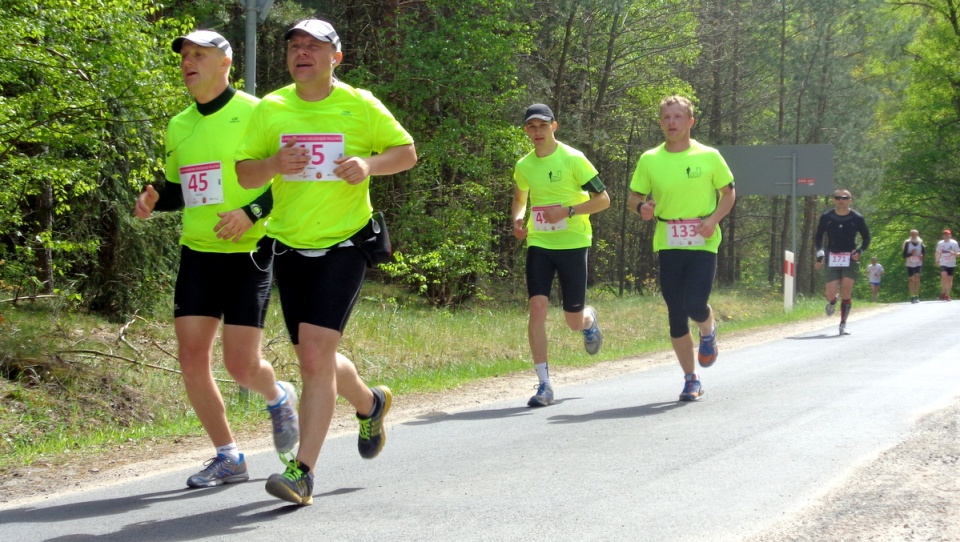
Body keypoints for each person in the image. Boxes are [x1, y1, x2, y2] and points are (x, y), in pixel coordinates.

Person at [234, 19, 417, 506]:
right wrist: (273, 166)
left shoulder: (359, 104)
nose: (302, 53)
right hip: (289, 247)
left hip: (345, 245)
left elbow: (407, 152)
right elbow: (244, 171)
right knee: (314, 355)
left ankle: (302, 472)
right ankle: (370, 402)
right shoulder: (271, 107)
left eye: (313, 46)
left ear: (336, 56)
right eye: (295, 46)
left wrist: (368, 165)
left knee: (314, 354)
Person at [133, 31, 299, 488]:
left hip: (250, 250)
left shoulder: (258, 112)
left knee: (241, 365)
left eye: (198, 55)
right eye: (185, 56)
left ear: (225, 62)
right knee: (191, 358)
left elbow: (287, 178)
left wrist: (252, 213)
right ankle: (229, 456)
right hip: (198, 251)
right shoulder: (178, 125)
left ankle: (278, 393)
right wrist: (153, 199)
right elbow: (183, 190)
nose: (188, 62)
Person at [626, 95, 736, 402]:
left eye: (677, 117)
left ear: (690, 122)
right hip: (669, 239)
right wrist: (642, 208)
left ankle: (707, 326)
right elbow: (634, 196)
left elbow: (728, 193)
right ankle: (691, 379)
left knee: (695, 303)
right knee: (676, 310)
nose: (671, 123)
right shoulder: (650, 159)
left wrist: (714, 220)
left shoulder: (709, 155)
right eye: (666, 118)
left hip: (703, 238)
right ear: (660, 123)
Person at [511, 104, 610, 408]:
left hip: (572, 242)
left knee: (572, 321)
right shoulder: (524, 165)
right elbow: (520, 197)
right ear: (526, 131)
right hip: (540, 244)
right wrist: (518, 217)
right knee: (537, 308)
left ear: (554, 126)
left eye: (542, 126)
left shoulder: (573, 159)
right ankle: (544, 385)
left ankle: (589, 320)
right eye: (531, 127)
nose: (537, 132)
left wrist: (567, 211)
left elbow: (603, 199)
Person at [814, 189, 871, 336]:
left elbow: (866, 238)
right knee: (830, 293)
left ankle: (843, 324)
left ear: (850, 200)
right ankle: (833, 301)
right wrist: (820, 255)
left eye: (844, 198)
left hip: (850, 258)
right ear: (834, 200)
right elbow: (819, 236)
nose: (841, 200)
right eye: (838, 197)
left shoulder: (857, 218)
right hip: (832, 256)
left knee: (847, 290)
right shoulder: (827, 217)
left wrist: (859, 251)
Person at [935, 229, 960, 301]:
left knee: (949, 280)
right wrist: (937, 260)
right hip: (943, 262)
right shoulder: (940, 243)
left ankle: (947, 294)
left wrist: (954, 254)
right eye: (945, 235)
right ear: (943, 236)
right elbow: (937, 252)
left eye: (948, 234)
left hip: (951, 263)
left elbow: (959, 254)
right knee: (944, 276)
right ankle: (944, 292)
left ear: (950, 235)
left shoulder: (954, 243)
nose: (946, 236)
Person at [902, 230, 925, 303]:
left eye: (915, 234)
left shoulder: (920, 243)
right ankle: (912, 296)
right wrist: (911, 254)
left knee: (917, 278)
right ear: (911, 235)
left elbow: (924, 253)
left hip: (918, 263)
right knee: (911, 280)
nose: (914, 236)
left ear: (918, 235)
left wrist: (922, 256)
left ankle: (917, 295)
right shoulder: (907, 243)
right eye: (913, 235)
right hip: (910, 264)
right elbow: (904, 255)